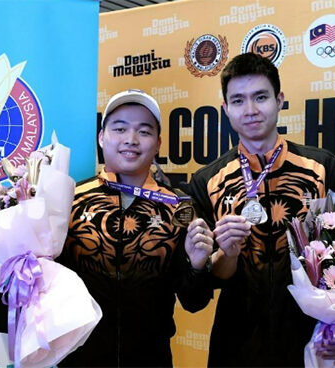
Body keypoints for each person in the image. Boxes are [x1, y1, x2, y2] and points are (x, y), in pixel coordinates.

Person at [188, 53, 335, 367]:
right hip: (237, 342)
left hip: (313, 337)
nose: (252, 110)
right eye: (239, 100)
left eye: (261, 97)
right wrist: (227, 253)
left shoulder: (323, 166)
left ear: (279, 99)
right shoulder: (207, 180)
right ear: (225, 109)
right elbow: (206, 284)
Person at [58, 89, 214, 367]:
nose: (131, 140)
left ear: (158, 144)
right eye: (120, 129)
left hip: (151, 358)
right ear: (101, 137)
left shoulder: (178, 207)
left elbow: (194, 301)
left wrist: (198, 265)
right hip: (79, 357)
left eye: (144, 131)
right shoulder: (69, 199)